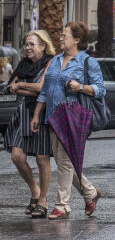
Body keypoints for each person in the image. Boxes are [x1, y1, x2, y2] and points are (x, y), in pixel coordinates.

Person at [31, 21, 106, 220]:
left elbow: (100, 90)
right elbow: (45, 91)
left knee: (64, 162)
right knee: (66, 161)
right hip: (53, 117)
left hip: (73, 116)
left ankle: (62, 205)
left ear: (77, 40)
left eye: (65, 36)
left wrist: (80, 87)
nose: (61, 39)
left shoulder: (87, 62)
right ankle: (90, 193)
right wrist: (37, 115)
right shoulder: (55, 60)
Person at [4, 31, 55, 218]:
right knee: (17, 156)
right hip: (22, 112)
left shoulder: (50, 62)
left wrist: (21, 86)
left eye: (32, 44)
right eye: (26, 44)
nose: (28, 47)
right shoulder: (23, 64)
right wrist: (23, 88)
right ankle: (35, 190)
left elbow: (44, 89)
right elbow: (11, 86)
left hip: (40, 112)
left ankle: (42, 200)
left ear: (43, 46)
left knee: (42, 158)